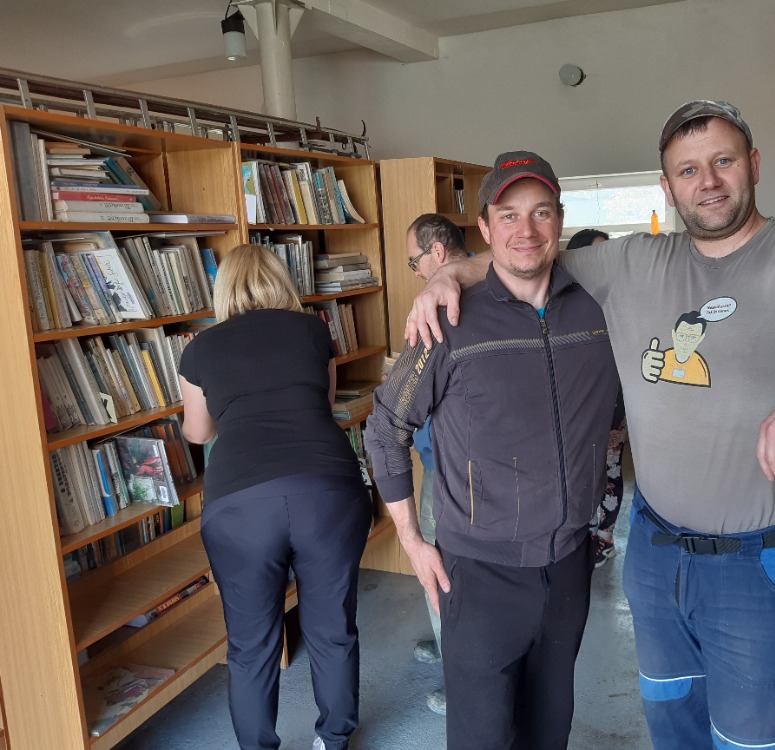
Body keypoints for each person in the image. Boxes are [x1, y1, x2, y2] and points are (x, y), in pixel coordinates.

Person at [402, 102, 775, 749]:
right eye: (688, 170)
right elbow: (523, 262)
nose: (709, 181)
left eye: (723, 161)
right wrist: (451, 272)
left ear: (753, 164)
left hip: (757, 561)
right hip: (655, 554)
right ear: (667, 187)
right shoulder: (633, 262)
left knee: (756, 738)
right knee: (673, 728)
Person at [365, 151, 619, 750]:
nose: (525, 230)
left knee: (549, 728)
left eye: (540, 212)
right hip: (479, 574)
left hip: (569, 562)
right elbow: (385, 427)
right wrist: (411, 542)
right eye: (508, 215)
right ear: (484, 228)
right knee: (481, 735)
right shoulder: (447, 320)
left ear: (560, 220)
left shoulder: (598, 311)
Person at [178, 244, 371, 750]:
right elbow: (324, 402)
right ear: (280, 281)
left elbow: (198, 433)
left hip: (241, 504)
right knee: (332, 628)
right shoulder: (314, 331)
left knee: (251, 644)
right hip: (327, 491)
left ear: (224, 288)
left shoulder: (201, 348)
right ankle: (333, 740)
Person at [404, 213, 468, 716]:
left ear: (438, 252)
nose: (416, 272)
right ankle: (452, 647)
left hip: (450, 463)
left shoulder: (442, 304)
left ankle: (459, 674)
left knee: (438, 564)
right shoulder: (491, 283)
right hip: (459, 457)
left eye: (415, 261)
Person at [566, 227, 627, 567]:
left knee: (610, 467)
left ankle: (604, 539)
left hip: (613, 397)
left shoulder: (618, 297)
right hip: (577, 401)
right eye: (597, 253)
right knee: (581, 469)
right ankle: (582, 534)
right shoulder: (565, 299)